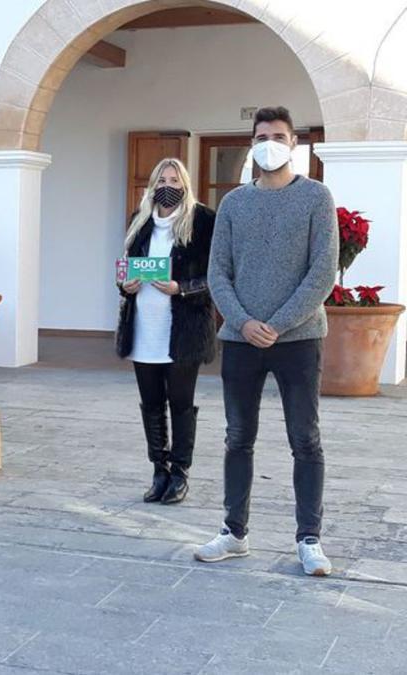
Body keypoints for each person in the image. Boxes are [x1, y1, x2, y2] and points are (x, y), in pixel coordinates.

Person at [197, 106, 339, 576]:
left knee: (306, 439)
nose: (270, 142)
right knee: (238, 437)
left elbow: (322, 271)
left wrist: (277, 324)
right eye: (262, 135)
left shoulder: (317, 197)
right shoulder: (236, 203)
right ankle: (234, 532)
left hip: (298, 339)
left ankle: (309, 539)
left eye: (279, 135)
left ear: (294, 143)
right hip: (240, 340)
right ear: (252, 142)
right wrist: (243, 322)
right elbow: (219, 271)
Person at [115, 158, 216, 505]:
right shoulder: (139, 222)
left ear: (185, 184)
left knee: (181, 402)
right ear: (152, 185)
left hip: (183, 329)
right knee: (152, 402)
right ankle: (159, 469)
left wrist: (181, 288)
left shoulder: (202, 221)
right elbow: (125, 270)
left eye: (174, 179)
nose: (167, 186)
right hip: (144, 328)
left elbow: (217, 277)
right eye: (161, 179)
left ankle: (180, 473)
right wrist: (124, 285)